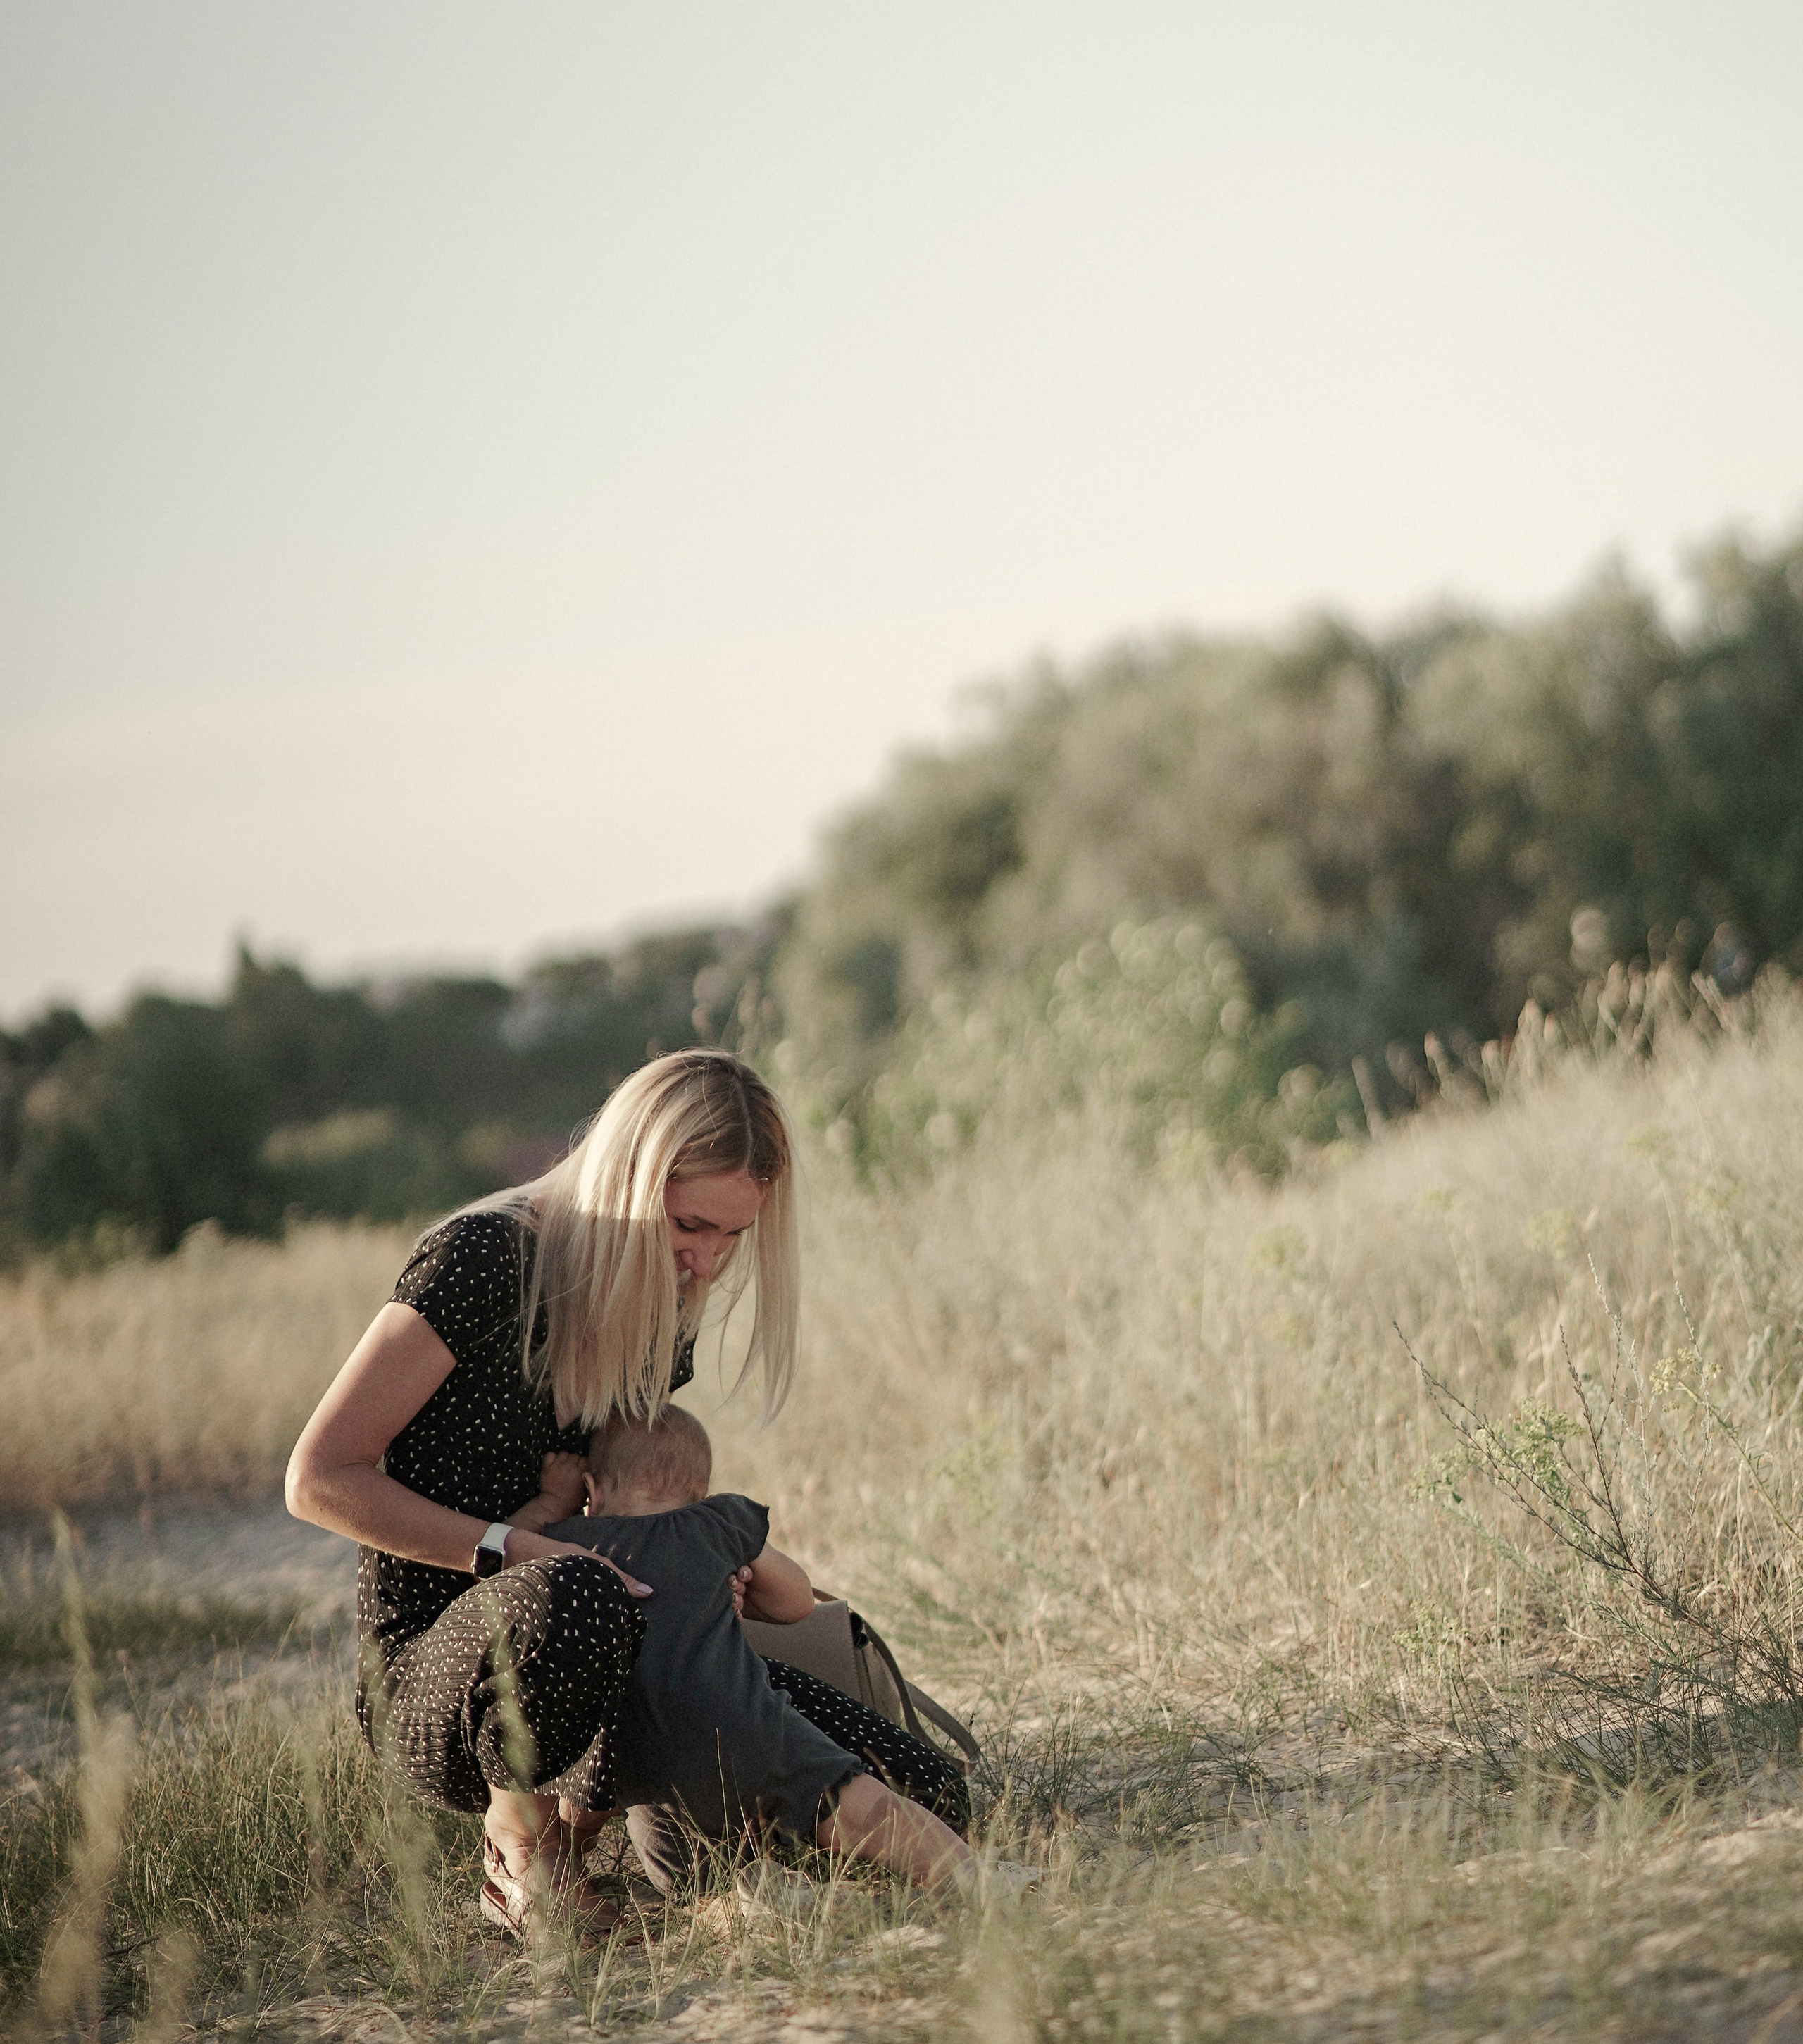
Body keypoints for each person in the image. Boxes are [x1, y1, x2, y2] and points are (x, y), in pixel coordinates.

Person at [285, 1048, 968, 1937]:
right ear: (631, 1177)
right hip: (447, 1677)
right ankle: (520, 1847)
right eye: (691, 1225)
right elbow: (318, 1478)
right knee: (575, 1597)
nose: (709, 1263)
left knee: (931, 1794)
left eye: (734, 1236)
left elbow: (625, 1497)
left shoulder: (664, 1303)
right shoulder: (483, 1259)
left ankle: (648, 1811)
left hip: (616, 1640)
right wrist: (513, 1546)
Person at [513, 1404, 982, 1900]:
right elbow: (798, 1602)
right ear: (701, 1495)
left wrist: (550, 1501)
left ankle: (748, 1897)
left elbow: (506, 1552)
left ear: (594, 1491)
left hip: (654, 1775)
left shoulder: (565, 1546)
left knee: (692, 1882)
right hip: (760, 1735)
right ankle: (973, 1876)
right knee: (870, 1811)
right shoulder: (718, 1523)